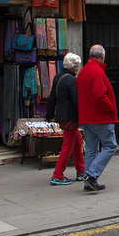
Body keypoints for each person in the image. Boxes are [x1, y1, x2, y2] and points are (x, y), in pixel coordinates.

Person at [76, 45, 118, 192]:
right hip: (100, 117)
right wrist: (111, 107)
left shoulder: (83, 71)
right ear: (102, 56)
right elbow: (100, 96)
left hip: (87, 117)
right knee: (110, 146)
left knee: (91, 149)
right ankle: (91, 175)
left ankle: (89, 180)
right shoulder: (97, 72)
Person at [46, 53, 84, 186]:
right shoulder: (72, 81)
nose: (78, 68)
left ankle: (81, 171)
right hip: (70, 118)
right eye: (77, 65)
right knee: (67, 146)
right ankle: (57, 175)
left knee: (78, 142)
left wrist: (49, 115)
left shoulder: (58, 77)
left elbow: (52, 98)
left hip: (63, 116)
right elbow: (77, 100)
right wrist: (84, 116)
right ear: (74, 66)